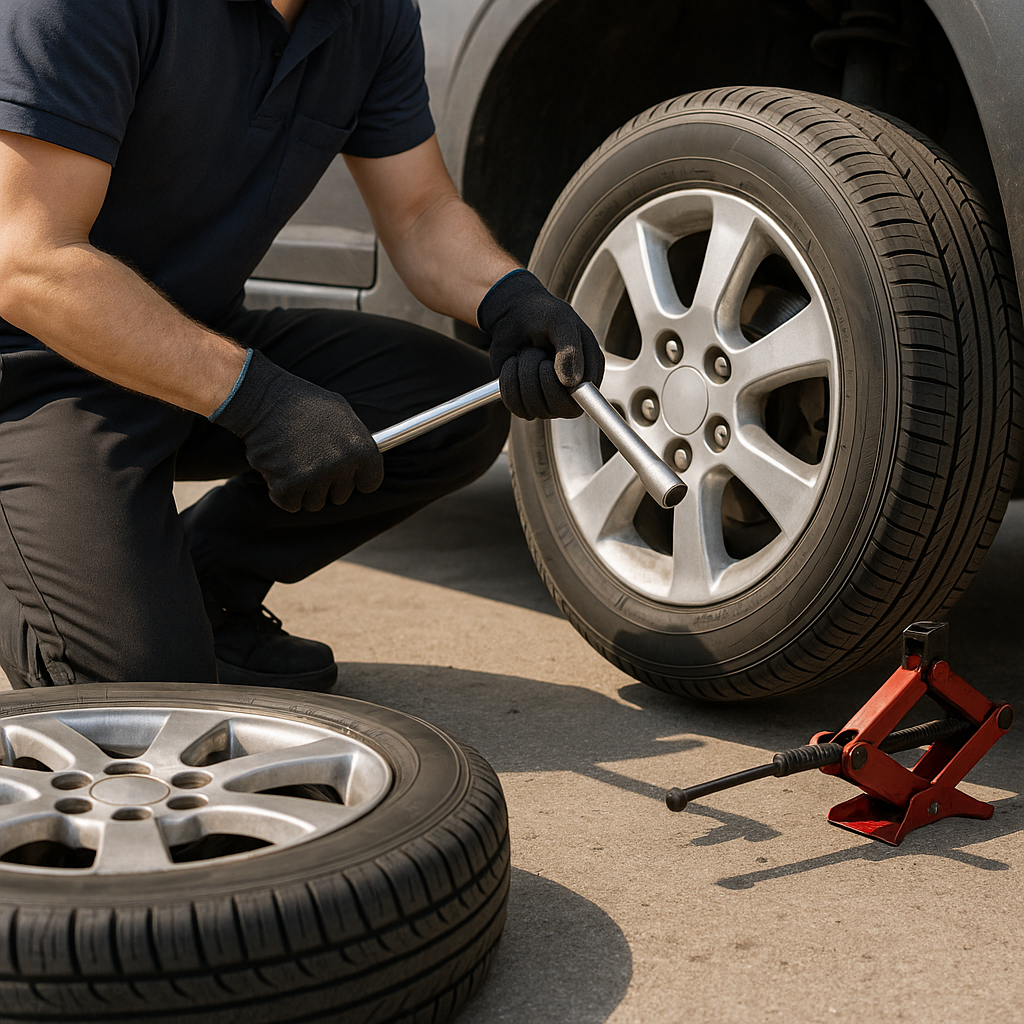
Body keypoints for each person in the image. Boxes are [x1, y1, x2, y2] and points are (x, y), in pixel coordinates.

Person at [0, 0, 603, 690]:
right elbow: (27, 260)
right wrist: (256, 396)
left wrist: (510, 297)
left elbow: (419, 214)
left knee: (458, 407)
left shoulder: (369, 15)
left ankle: (203, 591)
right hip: (30, 372)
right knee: (140, 691)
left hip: (186, 340)